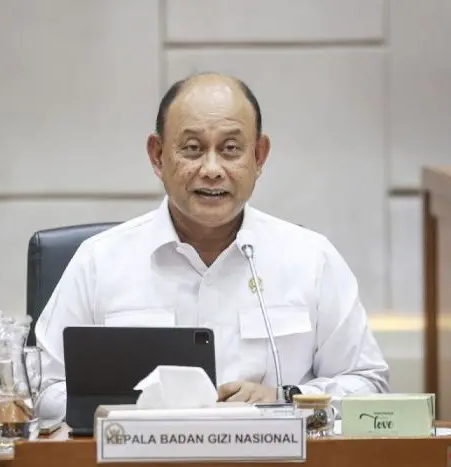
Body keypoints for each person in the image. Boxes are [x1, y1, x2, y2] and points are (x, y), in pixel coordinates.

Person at [35, 72, 389, 421]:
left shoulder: (310, 259)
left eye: (231, 149)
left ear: (259, 156)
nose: (212, 169)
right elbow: (43, 390)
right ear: (157, 156)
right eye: (192, 149)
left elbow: (367, 382)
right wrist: (135, 411)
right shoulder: (99, 262)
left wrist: (286, 399)